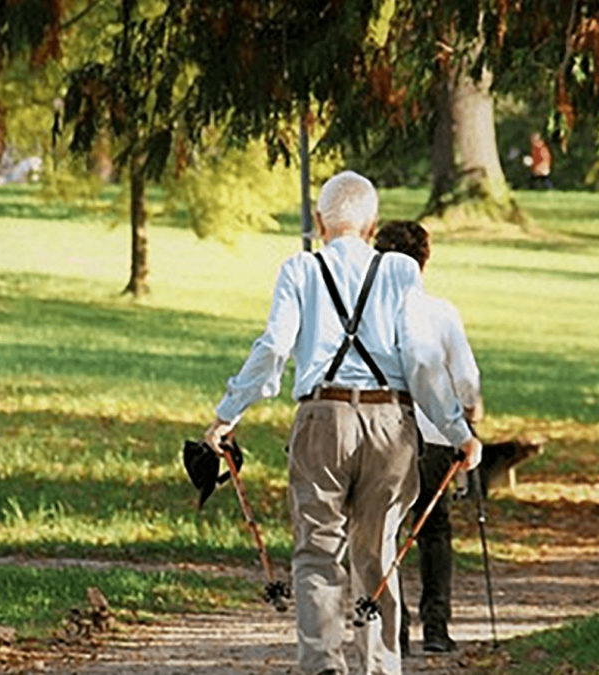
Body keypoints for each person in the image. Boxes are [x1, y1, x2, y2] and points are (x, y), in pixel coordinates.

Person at [204, 171, 483, 675]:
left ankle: (323, 665)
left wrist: (229, 414)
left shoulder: (298, 269)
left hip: (321, 418)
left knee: (316, 552)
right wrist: (459, 432)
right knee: (377, 554)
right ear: (372, 225)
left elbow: (273, 349)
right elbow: (420, 359)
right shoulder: (399, 271)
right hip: (389, 421)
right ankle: (379, 667)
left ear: (318, 222)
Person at [372, 221, 483, 656]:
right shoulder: (440, 312)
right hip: (436, 434)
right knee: (434, 529)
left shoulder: (369, 314)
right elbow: (467, 379)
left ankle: (393, 631)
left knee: (386, 529)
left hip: (383, 431)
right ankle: (436, 627)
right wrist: (469, 417)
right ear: (425, 260)